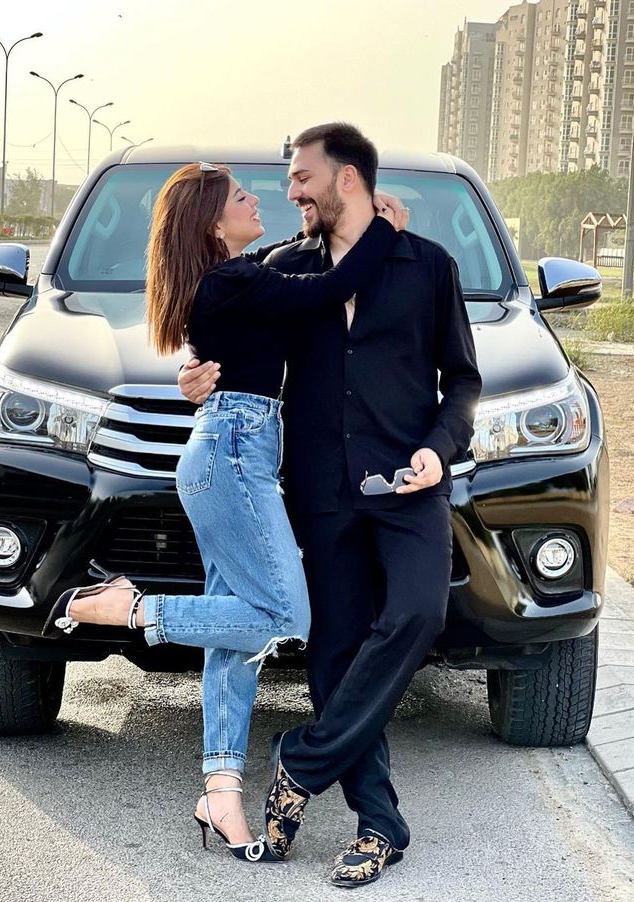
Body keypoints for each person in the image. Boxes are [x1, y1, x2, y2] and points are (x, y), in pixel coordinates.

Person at [43, 160, 404, 863]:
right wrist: (384, 232)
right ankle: (132, 606)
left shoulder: (229, 280)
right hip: (235, 454)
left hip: (232, 450)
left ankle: (222, 788)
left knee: (232, 629)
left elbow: (274, 300)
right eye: (242, 197)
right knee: (284, 616)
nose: (257, 202)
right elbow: (331, 286)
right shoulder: (237, 278)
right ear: (214, 223)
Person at [179, 123, 482, 887]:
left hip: (409, 481)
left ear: (345, 178)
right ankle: (379, 824)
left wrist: (438, 449)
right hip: (321, 491)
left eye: (301, 178)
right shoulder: (284, 269)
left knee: (418, 613)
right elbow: (221, 335)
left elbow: (464, 379)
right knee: (335, 655)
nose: (291, 193)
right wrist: (191, 372)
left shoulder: (428, 266)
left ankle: (300, 763)